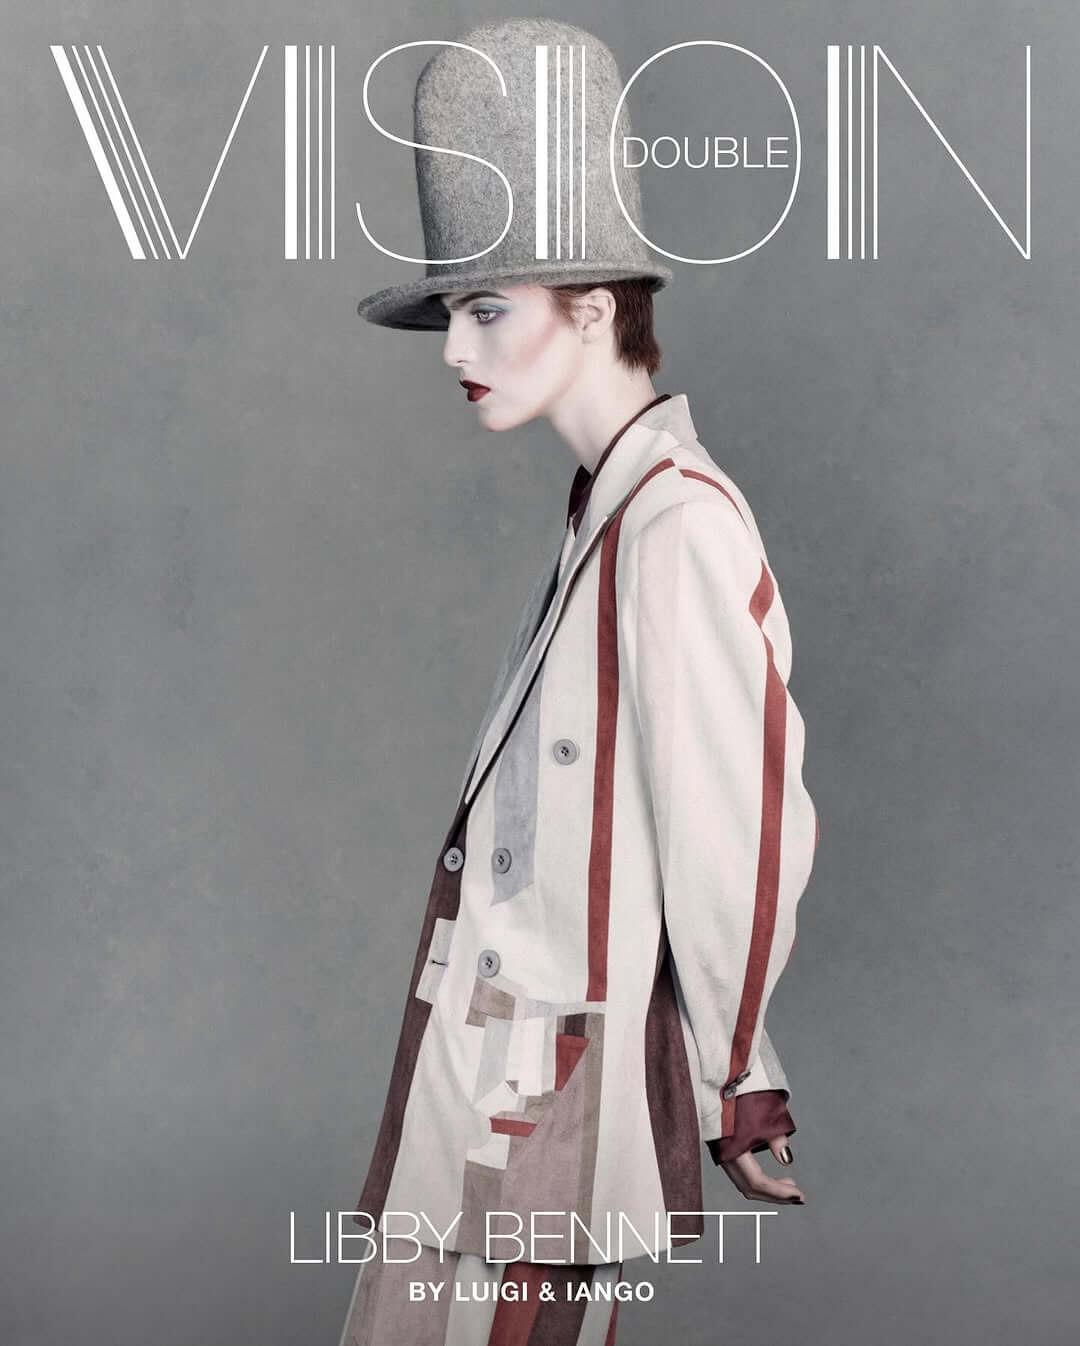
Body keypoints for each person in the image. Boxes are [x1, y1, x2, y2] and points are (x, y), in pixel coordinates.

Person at [339, 20, 818, 1346]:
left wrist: (737, 1076)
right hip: (500, 1079)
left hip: (540, 1099)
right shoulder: (607, 517)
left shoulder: (673, 525)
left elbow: (737, 830)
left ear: (596, 308)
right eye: (453, 312)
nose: (455, 347)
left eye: (487, 308)